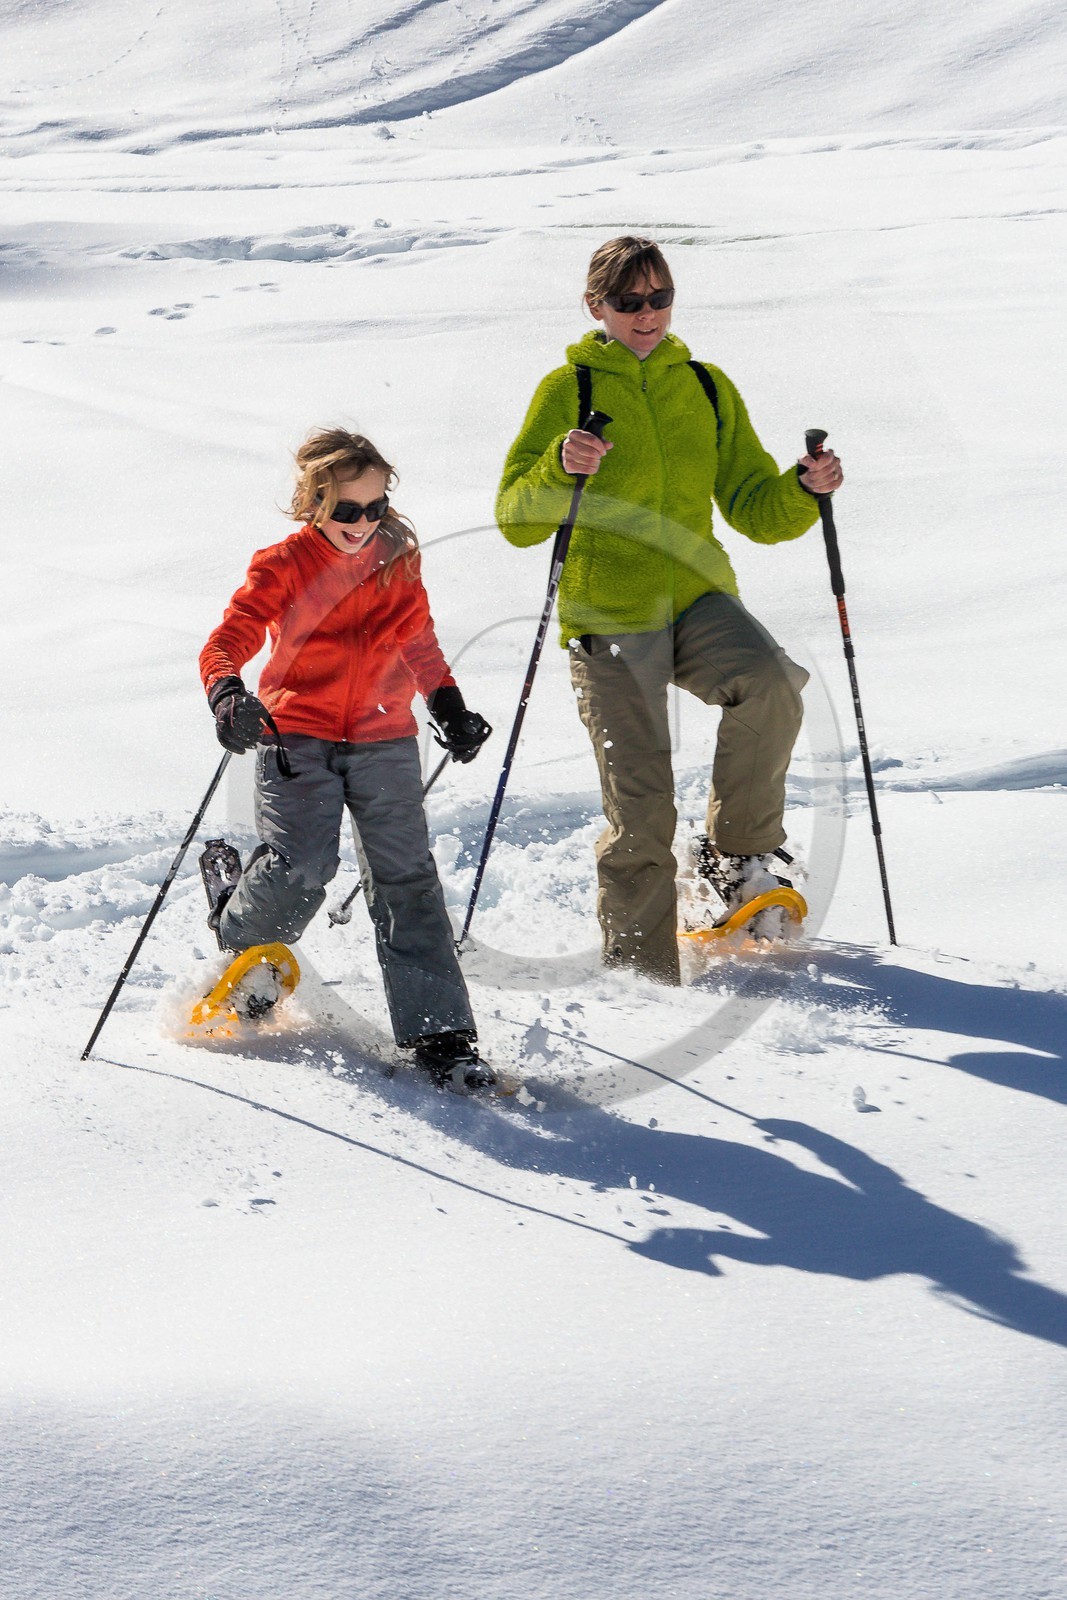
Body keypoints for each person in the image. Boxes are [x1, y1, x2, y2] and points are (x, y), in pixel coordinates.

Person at [495, 236, 844, 985]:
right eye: (629, 301)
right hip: (608, 613)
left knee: (771, 684)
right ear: (597, 307)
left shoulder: (705, 386)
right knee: (642, 808)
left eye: (659, 297)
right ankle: (638, 976)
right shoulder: (569, 389)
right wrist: (560, 465)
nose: (647, 313)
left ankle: (735, 862)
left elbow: (755, 507)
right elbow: (515, 518)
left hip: (695, 594)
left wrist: (804, 488)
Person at [199, 427, 495, 1087]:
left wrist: (447, 706)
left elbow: (416, 638)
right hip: (295, 731)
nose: (363, 523)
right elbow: (228, 639)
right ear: (312, 503)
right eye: (346, 510)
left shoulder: (397, 560)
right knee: (305, 865)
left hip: (383, 734)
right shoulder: (282, 564)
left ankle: (440, 1036)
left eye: (376, 507)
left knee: (405, 879)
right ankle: (234, 913)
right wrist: (226, 696)